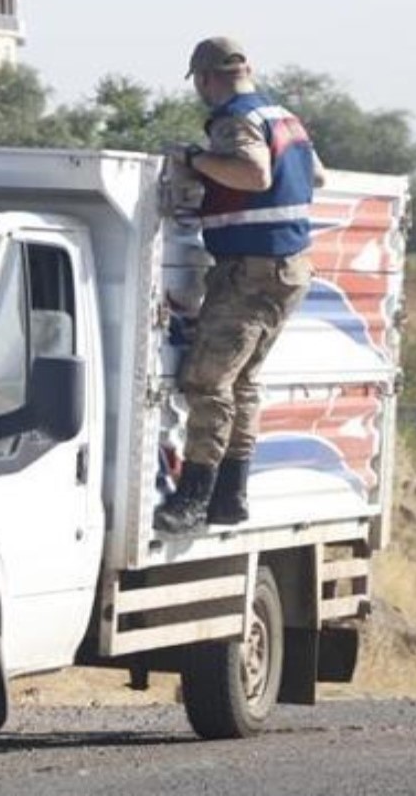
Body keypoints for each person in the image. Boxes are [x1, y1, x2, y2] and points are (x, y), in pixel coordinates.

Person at [154, 36, 325, 534]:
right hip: (288, 269)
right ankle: (231, 496)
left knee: (207, 381)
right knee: (243, 382)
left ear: (206, 78)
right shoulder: (284, 117)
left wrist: (194, 158)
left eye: (200, 84)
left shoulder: (235, 119)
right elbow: (317, 176)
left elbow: (253, 172)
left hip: (249, 269)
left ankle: (193, 498)